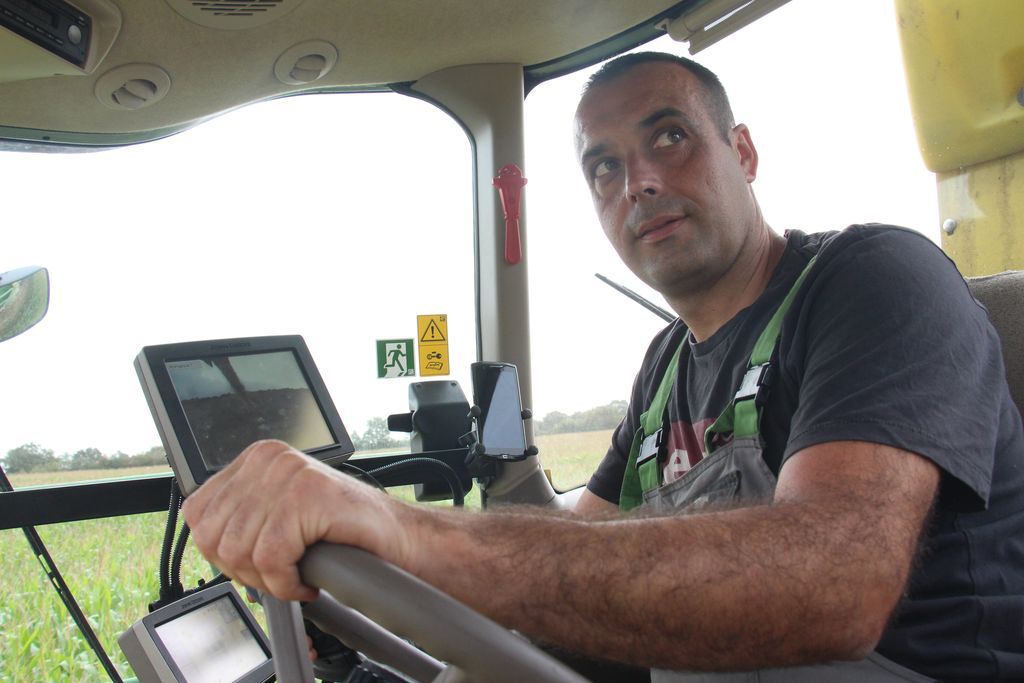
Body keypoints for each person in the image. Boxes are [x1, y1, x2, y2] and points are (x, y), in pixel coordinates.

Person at [183, 53, 1024, 680]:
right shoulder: (665, 365)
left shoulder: (872, 279)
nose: (641, 182)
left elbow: (832, 581)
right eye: (604, 166)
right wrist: (383, 582)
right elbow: (576, 544)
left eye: (670, 136)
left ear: (743, 152)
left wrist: (412, 532)